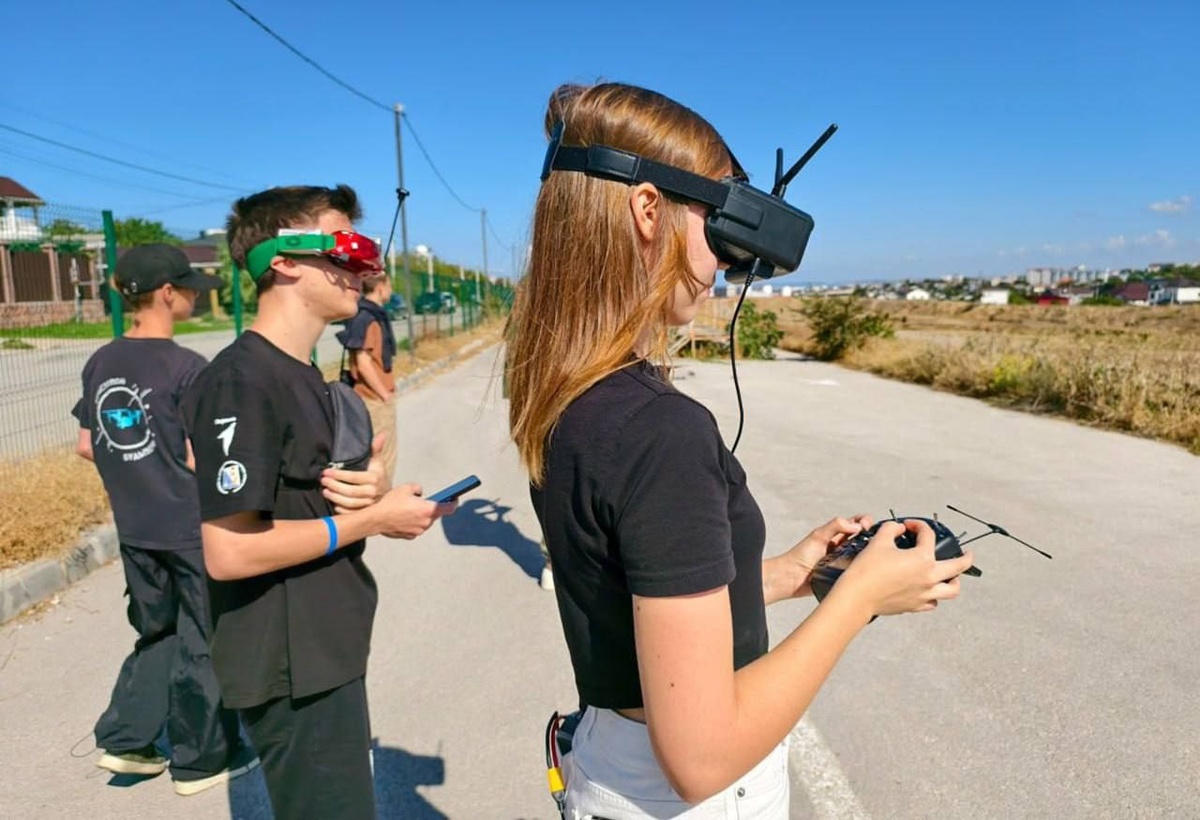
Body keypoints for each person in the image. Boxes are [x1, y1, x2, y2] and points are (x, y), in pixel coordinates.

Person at [504, 82, 975, 819]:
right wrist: (861, 599)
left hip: (608, 764)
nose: (725, 263)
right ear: (648, 210)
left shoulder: (571, 394)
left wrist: (791, 574)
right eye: (716, 221)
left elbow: (636, 595)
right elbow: (700, 757)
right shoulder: (660, 430)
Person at [182, 184, 457, 819]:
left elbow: (299, 500)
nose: (363, 266)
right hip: (290, 664)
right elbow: (229, 550)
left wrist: (369, 495)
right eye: (346, 248)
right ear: (283, 261)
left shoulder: (299, 372)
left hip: (322, 648)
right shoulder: (241, 380)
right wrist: (370, 520)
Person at [72, 243, 258, 796]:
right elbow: (202, 458)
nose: (197, 297)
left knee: (158, 632)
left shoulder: (101, 361)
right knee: (203, 635)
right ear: (168, 293)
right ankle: (202, 759)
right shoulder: (186, 368)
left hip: (136, 527)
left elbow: (86, 444)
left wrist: (139, 470)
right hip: (186, 527)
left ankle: (128, 740)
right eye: (190, 288)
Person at [337, 272, 398, 479]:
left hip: (374, 397)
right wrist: (384, 395)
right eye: (389, 285)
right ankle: (382, 498)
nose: (391, 290)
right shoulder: (367, 318)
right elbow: (363, 363)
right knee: (382, 460)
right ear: (380, 287)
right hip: (373, 399)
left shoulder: (370, 314)